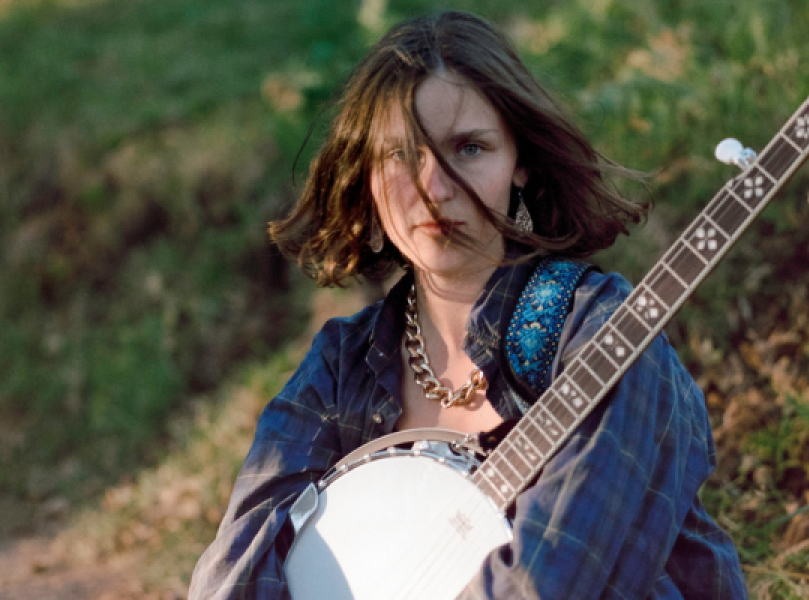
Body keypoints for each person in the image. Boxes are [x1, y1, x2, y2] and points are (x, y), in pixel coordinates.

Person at [189, 10, 748, 600]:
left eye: (469, 148)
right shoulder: (343, 367)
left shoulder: (598, 333)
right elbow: (238, 565)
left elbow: (555, 576)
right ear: (367, 182)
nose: (433, 187)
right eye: (400, 156)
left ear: (520, 163)